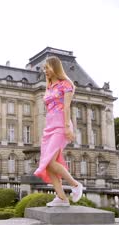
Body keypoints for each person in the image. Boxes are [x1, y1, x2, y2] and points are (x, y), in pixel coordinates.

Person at [34, 56, 84, 207]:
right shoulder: (48, 86)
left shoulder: (66, 84)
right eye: (44, 69)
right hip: (49, 126)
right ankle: (61, 197)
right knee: (48, 164)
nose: (45, 71)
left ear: (54, 67)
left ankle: (75, 185)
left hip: (61, 125)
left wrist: (68, 127)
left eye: (47, 68)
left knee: (50, 160)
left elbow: (67, 107)